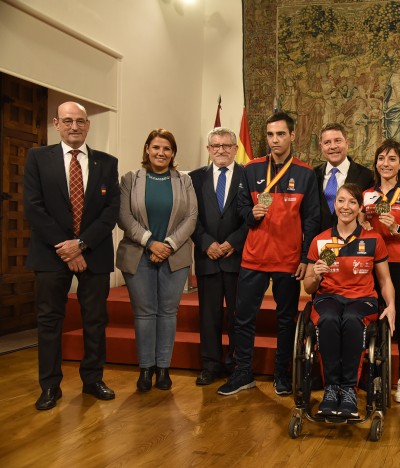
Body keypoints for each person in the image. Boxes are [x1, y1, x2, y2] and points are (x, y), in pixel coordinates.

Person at [24, 101, 120, 410]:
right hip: (51, 255)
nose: (74, 126)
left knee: (95, 320)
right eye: (68, 121)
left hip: (94, 253)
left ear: (88, 125)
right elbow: (33, 208)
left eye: (80, 121)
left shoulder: (107, 162)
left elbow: (111, 211)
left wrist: (81, 245)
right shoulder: (38, 158)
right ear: (56, 124)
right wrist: (66, 247)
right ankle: (50, 386)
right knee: (50, 321)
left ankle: (92, 380)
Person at [219, 112, 320, 396]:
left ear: (292, 136)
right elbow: (240, 210)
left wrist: (305, 258)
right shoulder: (250, 170)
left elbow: (312, 219)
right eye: (270, 135)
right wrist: (251, 214)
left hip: (288, 260)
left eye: (280, 134)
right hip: (254, 257)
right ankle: (243, 373)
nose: (274, 140)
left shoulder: (305, 173)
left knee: (286, 319)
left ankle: (281, 374)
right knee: (243, 317)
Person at [304, 183, 396, 418]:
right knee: (329, 318)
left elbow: (384, 280)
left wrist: (392, 305)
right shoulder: (320, 241)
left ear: (359, 207)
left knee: (353, 319)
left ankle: (349, 391)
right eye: (341, 201)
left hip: (362, 299)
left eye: (352, 202)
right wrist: (316, 274)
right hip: (328, 297)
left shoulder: (373, 239)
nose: (346, 206)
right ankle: (331, 389)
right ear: (334, 205)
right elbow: (308, 287)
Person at [116, 129, 197, 392]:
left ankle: (163, 369)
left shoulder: (184, 181)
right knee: (144, 313)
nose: (161, 153)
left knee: (168, 313)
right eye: (156, 148)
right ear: (147, 149)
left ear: (173, 153)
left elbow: (191, 218)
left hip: (175, 257)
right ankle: (145, 369)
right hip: (138, 254)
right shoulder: (131, 179)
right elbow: (124, 217)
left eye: (167, 149)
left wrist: (169, 245)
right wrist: (151, 242)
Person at [360, 139, 400, 403]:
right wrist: (362, 220)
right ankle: (373, 375)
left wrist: (395, 228)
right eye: (381, 158)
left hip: (399, 265)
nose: (386, 163)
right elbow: (358, 227)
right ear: (376, 163)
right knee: (371, 320)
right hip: (371, 264)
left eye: (392, 159)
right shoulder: (367, 194)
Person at [189, 127, 248, 386]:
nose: (221, 150)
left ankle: (237, 364)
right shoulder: (193, 178)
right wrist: (206, 243)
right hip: (207, 257)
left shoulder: (249, 176)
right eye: (216, 146)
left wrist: (233, 242)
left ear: (235, 149)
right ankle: (210, 365)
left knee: (238, 315)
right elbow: (189, 216)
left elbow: (255, 216)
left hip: (238, 258)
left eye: (226, 145)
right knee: (209, 315)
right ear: (208, 150)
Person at [314, 122, 374, 232]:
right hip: (319, 242)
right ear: (321, 146)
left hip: (354, 243)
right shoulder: (312, 175)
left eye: (338, 141)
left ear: (347, 143)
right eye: (327, 142)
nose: (333, 146)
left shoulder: (367, 176)